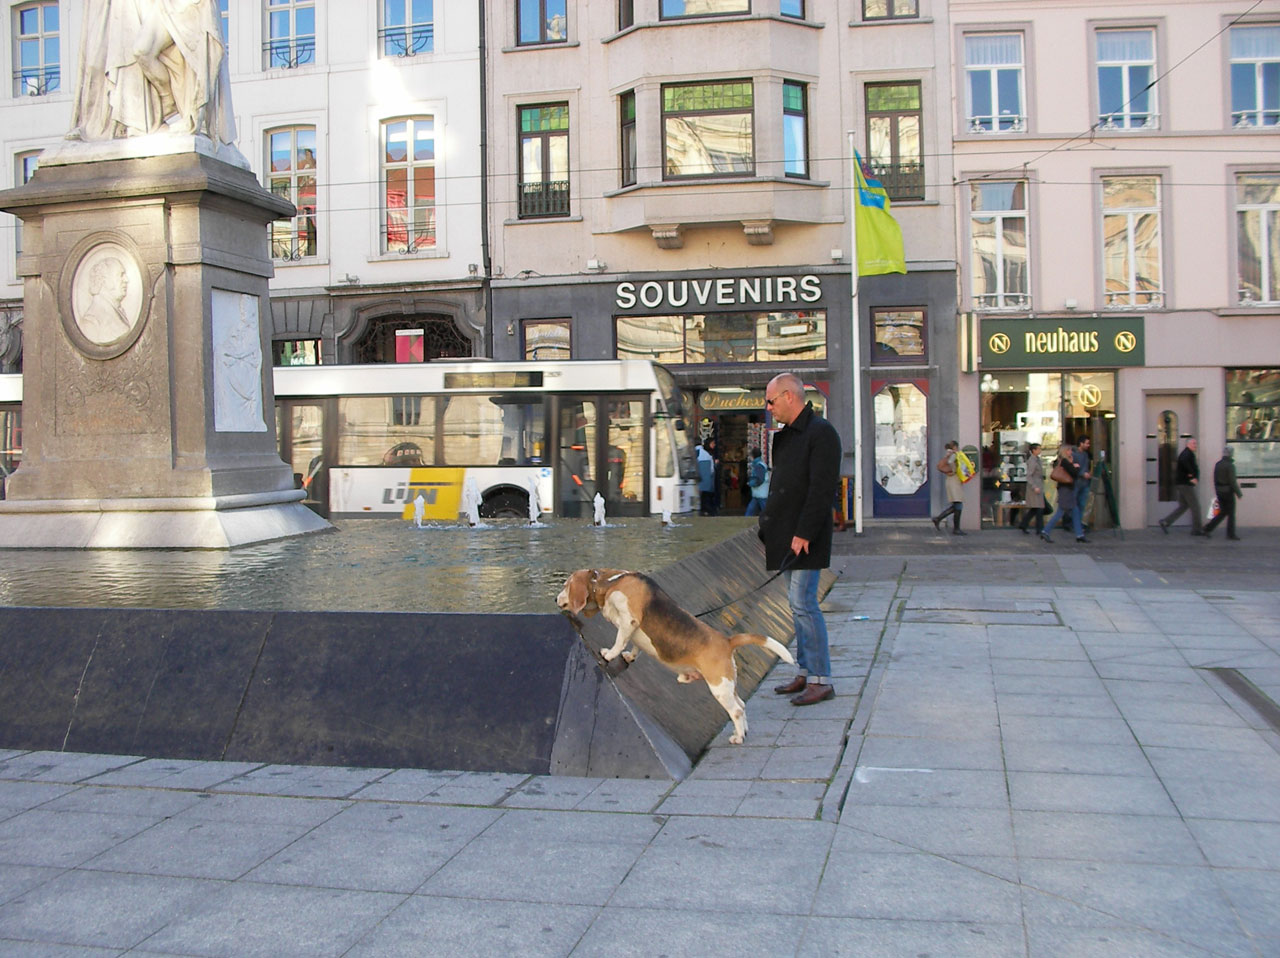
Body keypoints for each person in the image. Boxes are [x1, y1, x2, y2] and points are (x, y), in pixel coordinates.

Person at [759, 373, 841, 707]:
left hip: (805, 537)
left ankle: (822, 679)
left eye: (771, 400)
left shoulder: (821, 434)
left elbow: (821, 490)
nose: (768, 407)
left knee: (804, 603)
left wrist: (804, 532)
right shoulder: (787, 435)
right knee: (797, 605)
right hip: (786, 534)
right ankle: (806, 671)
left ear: (790, 396)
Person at [69, 0, 235, 144]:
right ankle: (166, 102)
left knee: (192, 59)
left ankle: (191, 114)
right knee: (142, 51)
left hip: (190, 7)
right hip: (166, 6)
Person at [77, 257, 134, 343]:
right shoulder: (92, 323)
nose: (126, 280)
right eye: (121, 275)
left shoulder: (118, 311)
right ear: (105, 280)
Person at [1039, 443, 1086, 543]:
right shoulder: (1064, 461)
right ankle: (1045, 531)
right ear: (1065, 452)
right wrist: (1076, 467)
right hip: (1066, 490)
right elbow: (1074, 473)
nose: (1071, 452)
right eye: (1069, 450)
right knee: (1061, 512)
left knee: (1074, 511)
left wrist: (1074, 465)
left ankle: (1079, 534)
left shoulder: (1067, 461)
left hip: (1068, 489)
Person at [1159, 438, 1205, 535]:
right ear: (1188, 444)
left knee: (1183, 506)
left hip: (1182, 484)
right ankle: (1197, 529)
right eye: (1193, 443)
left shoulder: (1187, 454)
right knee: (1195, 506)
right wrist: (1192, 476)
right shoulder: (1187, 454)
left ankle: (1165, 522)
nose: (1195, 445)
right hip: (1185, 485)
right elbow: (1188, 466)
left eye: (1195, 443)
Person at [1203, 447, 1243, 540]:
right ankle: (1230, 534)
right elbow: (1232, 481)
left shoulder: (1218, 464)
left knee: (1223, 512)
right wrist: (1239, 493)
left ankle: (1208, 528)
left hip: (1220, 491)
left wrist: (1217, 490)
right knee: (1231, 514)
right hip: (1228, 492)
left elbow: (1215, 479)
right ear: (1231, 454)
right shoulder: (1230, 466)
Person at [930, 440, 966, 535]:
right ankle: (955, 528)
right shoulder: (953, 456)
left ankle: (939, 519)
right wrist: (950, 469)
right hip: (953, 480)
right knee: (958, 503)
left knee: (957, 504)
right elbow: (944, 465)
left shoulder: (953, 455)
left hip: (954, 480)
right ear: (955, 447)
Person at [1017, 442, 1045, 535]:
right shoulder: (1032, 461)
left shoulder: (1037, 459)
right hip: (1035, 486)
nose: (1040, 451)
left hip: (1038, 485)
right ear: (1033, 450)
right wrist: (1034, 487)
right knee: (1038, 508)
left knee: (1035, 508)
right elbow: (1029, 476)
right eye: (1038, 449)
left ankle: (1024, 524)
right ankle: (1039, 529)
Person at [1072, 436, 1093, 530]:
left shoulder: (1085, 454)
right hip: (1076, 482)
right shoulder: (1074, 454)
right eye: (1087, 443)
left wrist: (1088, 474)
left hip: (1084, 482)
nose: (1088, 445)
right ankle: (1074, 524)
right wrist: (1082, 474)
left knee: (1082, 504)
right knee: (1074, 504)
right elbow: (1072, 468)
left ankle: (1079, 525)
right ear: (1081, 443)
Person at [745, 445, 769, 517]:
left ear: (752, 456)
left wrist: (751, 483)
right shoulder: (760, 464)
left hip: (760, 492)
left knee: (763, 509)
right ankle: (747, 518)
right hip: (759, 492)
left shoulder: (758, 466)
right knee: (752, 508)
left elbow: (759, 479)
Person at [696, 439, 716, 515]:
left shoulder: (694, 453)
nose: (714, 445)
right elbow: (712, 470)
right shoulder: (707, 454)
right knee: (706, 499)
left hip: (698, 483)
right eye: (713, 443)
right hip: (706, 483)